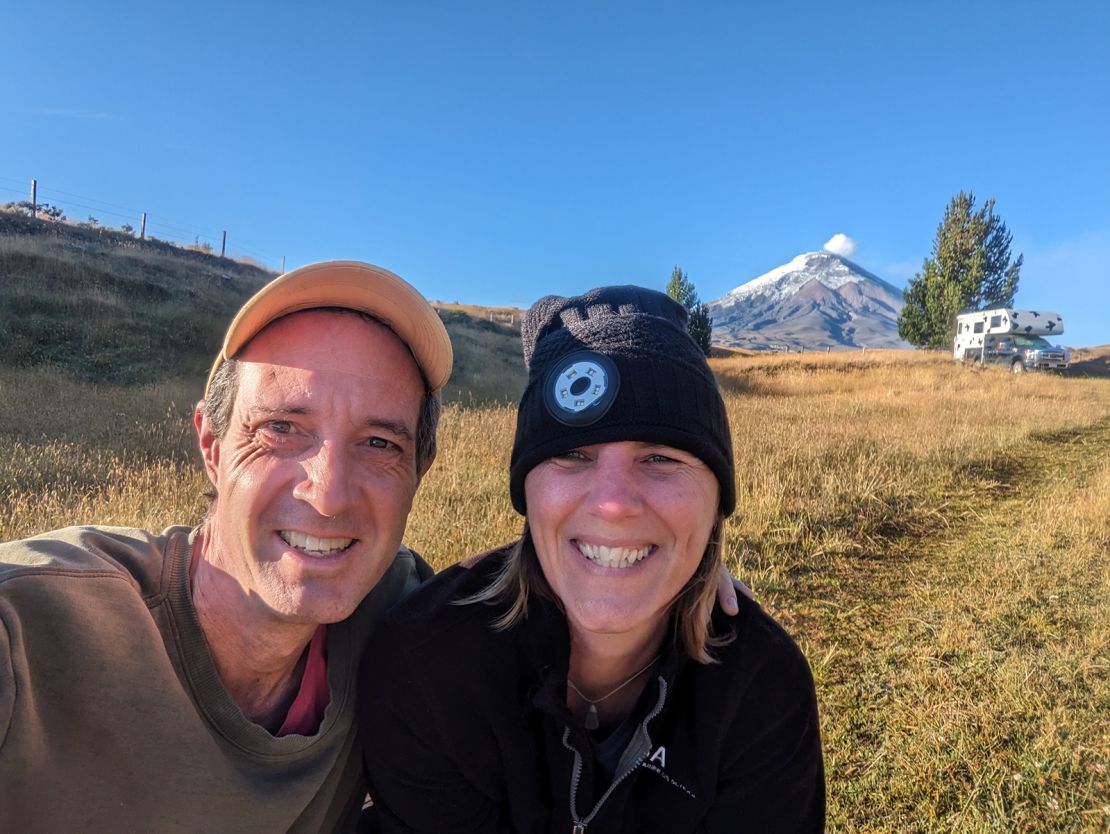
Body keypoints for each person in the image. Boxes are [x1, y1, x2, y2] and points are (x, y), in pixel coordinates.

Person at [0, 260, 453, 832]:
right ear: (212, 447)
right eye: (282, 428)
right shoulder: (29, 626)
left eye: (380, 442)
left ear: (419, 472)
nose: (330, 495)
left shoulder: (405, 615)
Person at [358, 286, 825, 833]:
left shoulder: (761, 683)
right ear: (527, 494)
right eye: (572, 455)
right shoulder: (429, 666)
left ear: (716, 504)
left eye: (660, 456)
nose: (613, 504)